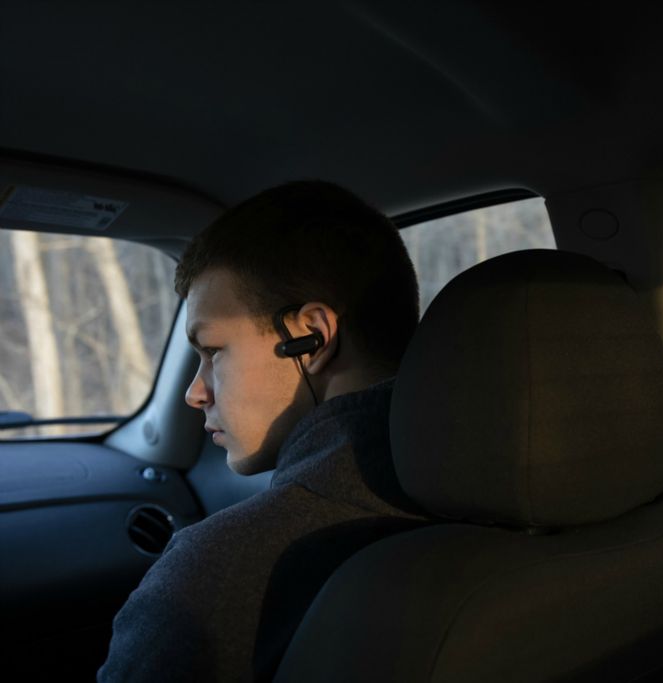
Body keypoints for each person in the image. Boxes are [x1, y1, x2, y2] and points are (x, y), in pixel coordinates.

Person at [98, 180, 429, 682]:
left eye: (212, 351)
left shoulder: (216, 577)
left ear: (310, 337)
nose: (195, 392)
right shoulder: (508, 508)